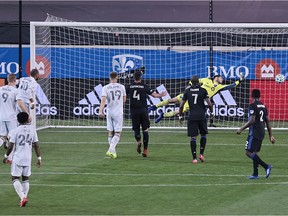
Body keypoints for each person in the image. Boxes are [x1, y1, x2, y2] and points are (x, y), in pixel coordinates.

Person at [151, 73, 244, 125]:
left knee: (178, 111)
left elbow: (230, 86)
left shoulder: (219, 87)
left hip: (195, 101)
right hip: (189, 93)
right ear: (216, 77)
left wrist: (239, 81)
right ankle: (154, 106)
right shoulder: (206, 80)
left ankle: (163, 115)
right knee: (171, 100)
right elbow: (194, 81)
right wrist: (190, 86)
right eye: (221, 77)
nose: (222, 79)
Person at [3, 112, 41, 207]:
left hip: (18, 158)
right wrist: (39, 158)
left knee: (15, 178)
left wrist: (6, 156)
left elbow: (11, 146)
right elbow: (36, 145)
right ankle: (23, 198)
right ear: (27, 119)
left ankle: (23, 197)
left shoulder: (15, 131)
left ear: (18, 120)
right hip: (28, 158)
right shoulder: (32, 130)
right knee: (25, 179)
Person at [126, 70, 167, 157]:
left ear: (133, 77)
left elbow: (124, 96)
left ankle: (138, 141)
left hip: (134, 111)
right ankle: (145, 150)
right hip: (143, 110)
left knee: (136, 129)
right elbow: (155, 95)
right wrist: (162, 94)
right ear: (141, 77)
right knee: (145, 130)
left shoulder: (129, 87)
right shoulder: (144, 86)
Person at [237, 89, 275, 179]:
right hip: (262, 131)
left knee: (248, 152)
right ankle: (255, 174)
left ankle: (266, 166)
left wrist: (241, 129)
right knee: (255, 153)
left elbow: (252, 120)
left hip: (254, 132)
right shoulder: (264, 106)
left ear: (252, 96)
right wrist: (271, 135)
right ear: (259, 96)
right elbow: (268, 121)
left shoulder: (252, 106)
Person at [179, 75, 213, 164]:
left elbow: (181, 105)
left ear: (191, 82)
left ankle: (194, 158)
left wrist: (180, 116)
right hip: (202, 115)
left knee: (193, 137)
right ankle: (201, 154)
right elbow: (209, 104)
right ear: (198, 82)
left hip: (192, 116)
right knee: (203, 135)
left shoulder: (187, 91)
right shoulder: (203, 90)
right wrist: (211, 112)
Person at [99, 71, 126, 159]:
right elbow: (124, 99)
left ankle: (113, 152)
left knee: (110, 132)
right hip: (118, 112)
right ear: (117, 77)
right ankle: (110, 149)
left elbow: (103, 100)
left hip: (109, 112)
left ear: (110, 78)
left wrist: (100, 111)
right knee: (118, 132)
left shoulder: (105, 87)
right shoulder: (122, 87)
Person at [0, 74, 28, 150]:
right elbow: (20, 103)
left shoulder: (1, 89)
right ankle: (10, 158)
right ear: (15, 81)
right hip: (11, 117)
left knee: (2, 136)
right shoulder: (16, 91)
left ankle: (6, 140)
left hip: (1, 116)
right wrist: (26, 114)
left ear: (7, 80)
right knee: (13, 137)